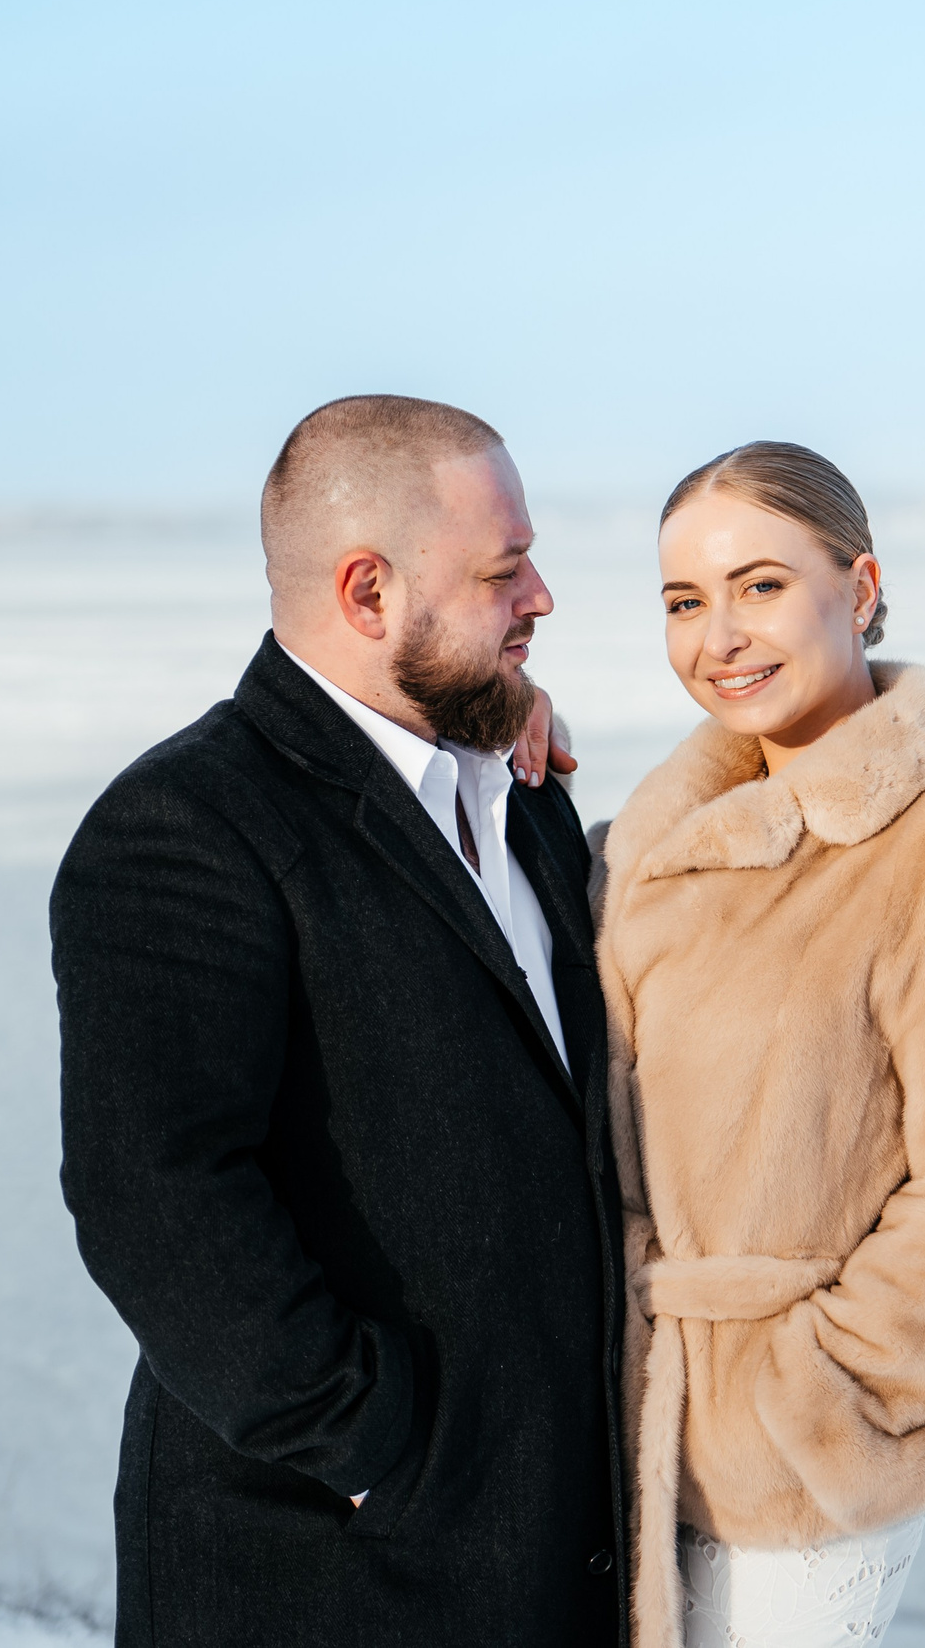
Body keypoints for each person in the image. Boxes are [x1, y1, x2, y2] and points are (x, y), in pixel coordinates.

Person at [52, 396, 620, 1647]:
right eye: (504, 569)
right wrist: (386, 1454)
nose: (542, 598)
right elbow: (153, 1197)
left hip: (548, 1568)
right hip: (329, 1580)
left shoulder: (520, 795)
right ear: (368, 593)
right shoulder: (186, 829)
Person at [592, 442, 925, 1647]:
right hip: (621, 1436)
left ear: (859, 588)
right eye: (683, 601)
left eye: (760, 585)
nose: (720, 634)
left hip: (797, 1477)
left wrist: (811, 1412)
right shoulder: (642, 850)